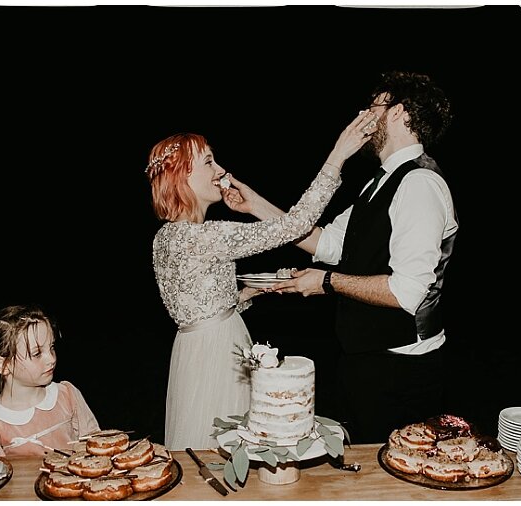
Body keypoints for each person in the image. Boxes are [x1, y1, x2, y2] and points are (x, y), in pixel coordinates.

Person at [149, 111, 374, 450]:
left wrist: (252, 290)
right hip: (217, 354)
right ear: (182, 175)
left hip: (196, 348)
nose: (221, 171)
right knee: (224, 443)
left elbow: (200, 306)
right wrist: (337, 157)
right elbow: (295, 225)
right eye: (209, 162)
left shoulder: (166, 237)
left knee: (206, 447)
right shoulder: (203, 236)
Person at [266, 71, 458, 444]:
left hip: (402, 368)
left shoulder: (420, 183)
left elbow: (406, 293)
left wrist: (325, 281)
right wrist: (254, 205)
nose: (365, 116)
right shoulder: (381, 180)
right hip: (367, 359)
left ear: (400, 113)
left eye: (373, 107)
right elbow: (328, 244)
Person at [0, 305, 101, 457]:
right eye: (37, 353)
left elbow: (95, 447)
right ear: (4, 366)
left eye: (51, 347)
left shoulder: (67, 396)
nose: (51, 359)